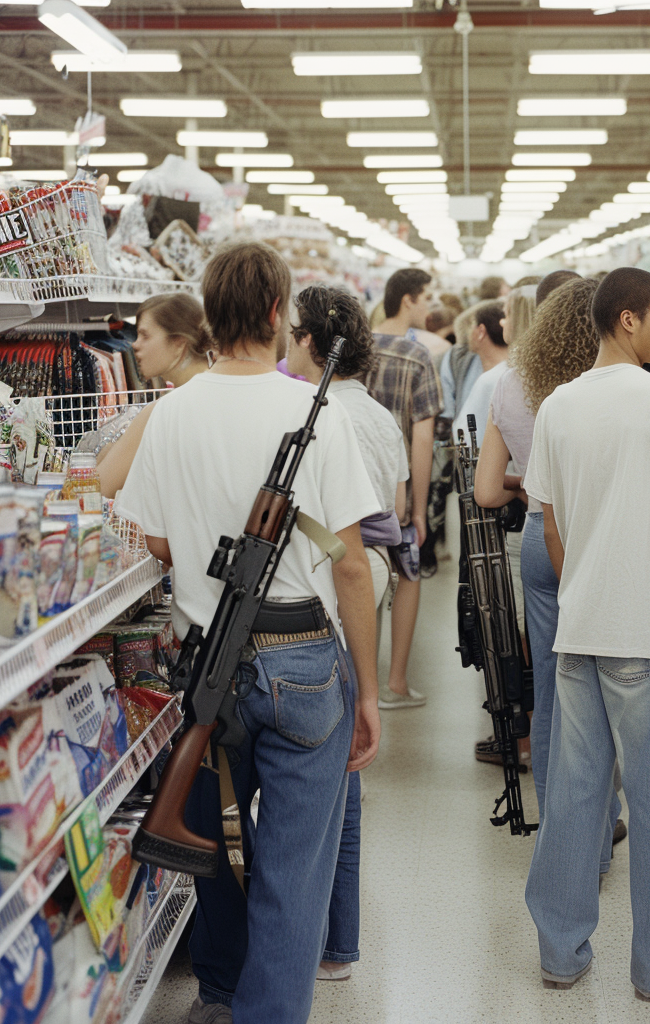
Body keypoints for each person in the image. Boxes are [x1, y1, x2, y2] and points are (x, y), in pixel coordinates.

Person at [115, 241, 382, 1024]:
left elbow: (155, 539)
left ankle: (219, 994)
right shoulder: (314, 414)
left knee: (212, 846)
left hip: (205, 659)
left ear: (207, 317)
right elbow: (353, 568)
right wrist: (368, 690)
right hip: (303, 659)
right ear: (276, 315)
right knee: (295, 871)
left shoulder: (168, 412)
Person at [523, 267, 650, 1001]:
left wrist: (583, 590)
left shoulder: (557, 406)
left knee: (576, 792)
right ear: (625, 321)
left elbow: (549, 522)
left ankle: (561, 949)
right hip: (649, 630)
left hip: (581, 628)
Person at [283, 283, 408, 983]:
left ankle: (334, 939)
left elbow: (340, 544)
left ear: (309, 340)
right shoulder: (374, 414)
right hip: (364, 573)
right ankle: (339, 939)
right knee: (341, 774)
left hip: (334, 583)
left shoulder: (324, 415)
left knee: (337, 777)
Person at [477, 276, 625, 865]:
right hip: (601, 541)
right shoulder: (609, 386)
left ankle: (559, 836)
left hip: (539, 540)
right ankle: (599, 828)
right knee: (605, 693)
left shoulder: (510, 385)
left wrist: (528, 482)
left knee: (549, 693)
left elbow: (487, 490)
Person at [365, 268, 444, 709]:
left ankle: (364, 683)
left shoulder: (355, 349)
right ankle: (395, 682)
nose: (431, 305)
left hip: (351, 483)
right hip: (399, 486)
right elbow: (422, 435)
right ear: (408, 300)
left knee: (357, 574)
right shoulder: (416, 356)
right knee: (408, 573)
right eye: (427, 296)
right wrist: (419, 505)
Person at [98, 292, 211, 498]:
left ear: (178, 343)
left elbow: (99, 488)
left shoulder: (164, 412)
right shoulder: (217, 392)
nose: (134, 344)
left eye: (145, 335)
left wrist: (107, 454)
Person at [452, 301, 508, 443]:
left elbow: (465, 436)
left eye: (471, 326)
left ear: (481, 331)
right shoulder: (515, 373)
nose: (469, 332)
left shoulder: (489, 381)